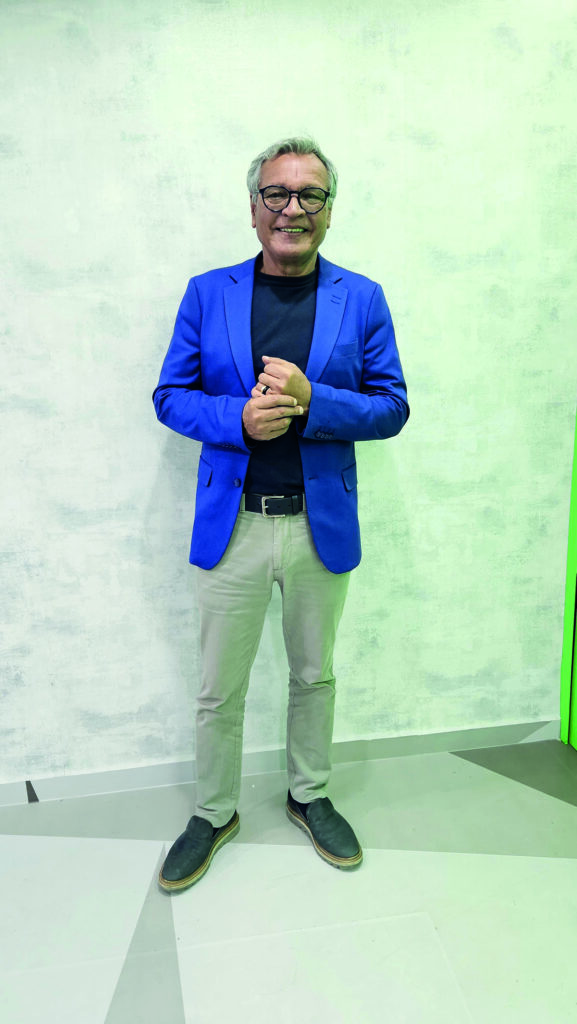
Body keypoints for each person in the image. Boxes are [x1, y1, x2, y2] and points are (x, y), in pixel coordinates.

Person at [152, 136, 410, 892]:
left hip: (317, 526)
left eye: (310, 195)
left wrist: (311, 401)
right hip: (231, 524)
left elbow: (391, 406)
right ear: (254, 206)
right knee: (217, 688)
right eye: (277, 193)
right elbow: (170, 395)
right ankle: (213, 811)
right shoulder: (209, 292)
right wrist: (236, 419)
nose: (292, 208)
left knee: (313, 675)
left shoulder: (362, 297)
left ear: (329, 210)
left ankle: (309, 795)